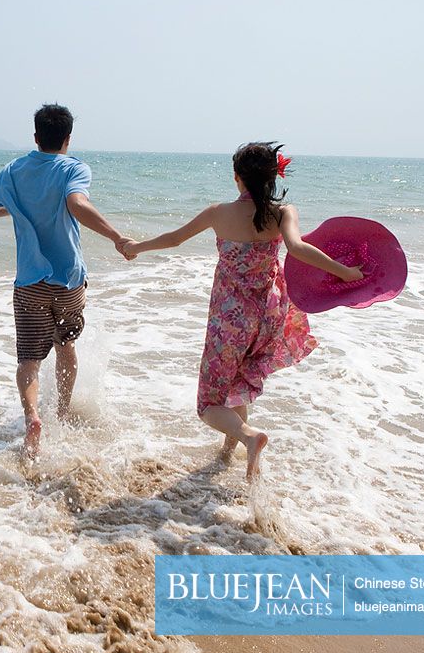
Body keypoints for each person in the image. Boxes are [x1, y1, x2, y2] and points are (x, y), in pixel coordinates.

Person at [119, 142, 363, 480]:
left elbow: (174, 239)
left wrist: (136, 247)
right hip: (268, 315)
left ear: (237, 177)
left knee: (208, 404)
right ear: (273, 176)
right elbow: (298, 248)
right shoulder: (282, 213)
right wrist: (345, 272)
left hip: (229, 318)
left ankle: (249, 437)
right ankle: (229, 449)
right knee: (236, 384)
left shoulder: (217, 212)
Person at [0, 104, 133, 458]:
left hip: (30, 282)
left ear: (35, 137)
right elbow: (76, 204)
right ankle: (60, 415)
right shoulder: (73, 167)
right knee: (66, 349)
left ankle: (33, 417)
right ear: (67, 139)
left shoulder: (12, 171)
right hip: (69, 281)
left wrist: (15, 209)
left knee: (28, 361)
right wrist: (115, 236)